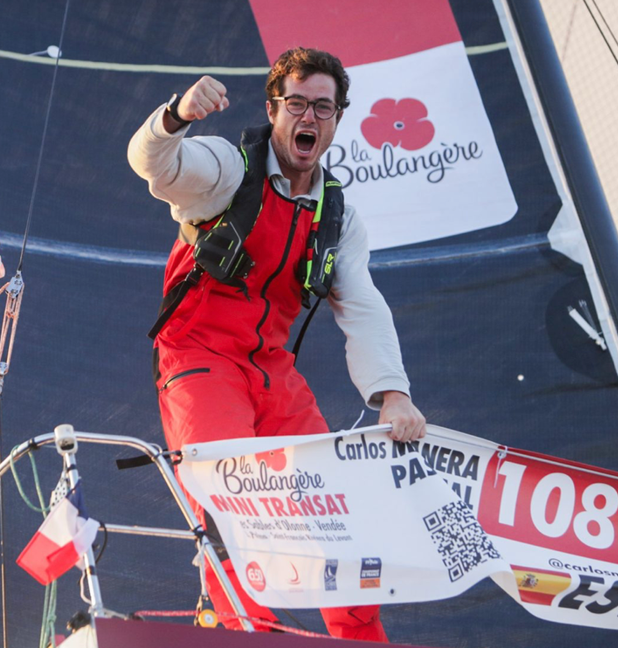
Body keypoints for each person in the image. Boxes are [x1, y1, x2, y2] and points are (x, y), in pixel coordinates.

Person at [127, 48, 425, 642]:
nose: (308, 116)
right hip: (199, 358)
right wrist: (176, 116)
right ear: (274, 109)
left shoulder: (338, 216)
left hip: (270, 369)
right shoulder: (226, 168)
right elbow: (151, 165)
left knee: (337, 511)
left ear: (338, 119)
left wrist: (393, 395)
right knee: (232, 498)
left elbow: (361, 305)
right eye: (296, 104)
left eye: (323, 106)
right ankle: (249, 635)